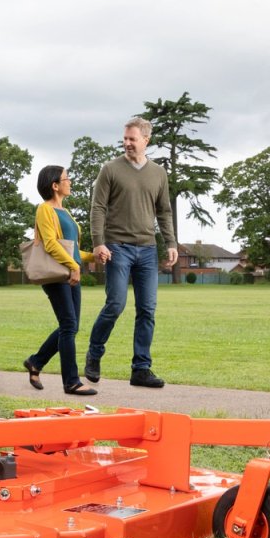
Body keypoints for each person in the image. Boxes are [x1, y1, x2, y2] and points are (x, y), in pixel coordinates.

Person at [83, 116, 179, 387]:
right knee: (116, 304)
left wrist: (171, 243)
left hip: (147, 250)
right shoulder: (110, 170)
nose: (126, 143)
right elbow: (98, 207)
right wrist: (98, 241)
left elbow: (164, 211)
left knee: (147, 310)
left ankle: (141, 369)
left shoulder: (159, 173)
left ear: (146, 140)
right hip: (117, 248)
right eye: (124, 138)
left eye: (131, 139)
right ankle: (95, 353)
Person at [22, 165, 97, 397]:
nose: (70, 182)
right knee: (69, 326)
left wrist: (94, 255)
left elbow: (72, 250)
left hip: (71, 274)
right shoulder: (45, 210)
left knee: (70, 326)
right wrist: (73, 265)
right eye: (67, 178)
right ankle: (71, 382)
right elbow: (52, 244)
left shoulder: (66, 212)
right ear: (55, 185)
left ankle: (36, 362)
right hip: (57, 276)